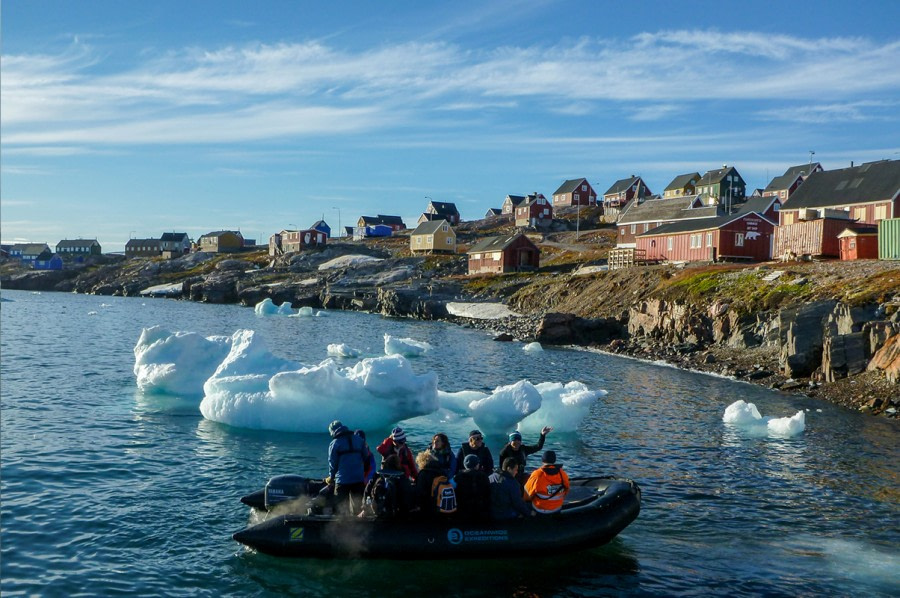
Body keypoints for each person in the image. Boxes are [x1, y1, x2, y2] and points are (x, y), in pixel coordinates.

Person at [326, 420, 367, 515]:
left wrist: (331, 477)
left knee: (340, 508)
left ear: (332, 431)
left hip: (342, 481)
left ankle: (342, 526)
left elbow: (332, 463)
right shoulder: (359, 440)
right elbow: (365, 456)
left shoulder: (334, 443)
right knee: (357, 506)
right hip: (358, 479)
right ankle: (359, 526)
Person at [361, 454, 414, 518]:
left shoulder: (377, 476)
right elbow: (408, 495)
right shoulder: (402, 478)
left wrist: (365, 508)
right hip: (397, 515)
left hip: (377, 512)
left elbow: (367, 491)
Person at [414, 451, 457, 517]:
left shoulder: (423, 473)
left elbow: (420, 492)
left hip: (430, 506)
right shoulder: (442, 471)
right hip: (441, 504)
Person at [453, 454, 491, 522]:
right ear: (476, 465)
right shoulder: (483, 476)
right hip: (480, 510)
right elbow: (488, 492)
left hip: (463, 510)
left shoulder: (458, 477)